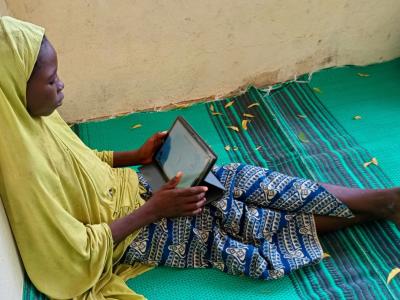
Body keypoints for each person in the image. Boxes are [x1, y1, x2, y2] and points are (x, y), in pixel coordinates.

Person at [0, 16, 398, 300]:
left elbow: (85, 160)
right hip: (131, 232)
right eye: (51, 81)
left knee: (236, 180)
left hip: (141, 188)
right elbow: (69, 259)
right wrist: (155, 210)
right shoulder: (24, 174)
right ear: (16, 87)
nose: (62, 85)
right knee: (234, 229)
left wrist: (136, 155)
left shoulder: (34, 123)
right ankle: (382, 206)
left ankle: (380, 200)